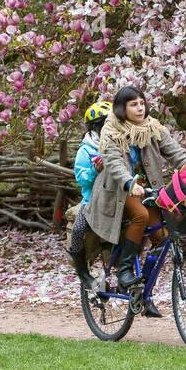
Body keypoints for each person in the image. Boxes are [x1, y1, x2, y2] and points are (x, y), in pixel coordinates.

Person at [86, 86, 186, 313]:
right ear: (122, 108)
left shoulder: (152, 128)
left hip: (148, 190)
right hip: (118, 190)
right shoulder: (111, 131)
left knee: (160, 236)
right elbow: (113, 162)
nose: (140, 108)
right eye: (133, 104)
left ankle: (142, 291)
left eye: (142, 103)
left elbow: (176, 153)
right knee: (141, 216)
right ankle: (124, 271)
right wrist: (129, 182)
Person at [66, 100, 111, 294]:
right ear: (95, 127)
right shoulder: (86, 150)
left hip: (116, 199)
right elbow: (82, 179)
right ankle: (82, 272)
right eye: (105, 125)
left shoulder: (119, 145)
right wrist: (95, 169)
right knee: (78, 229)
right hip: (92, 201)